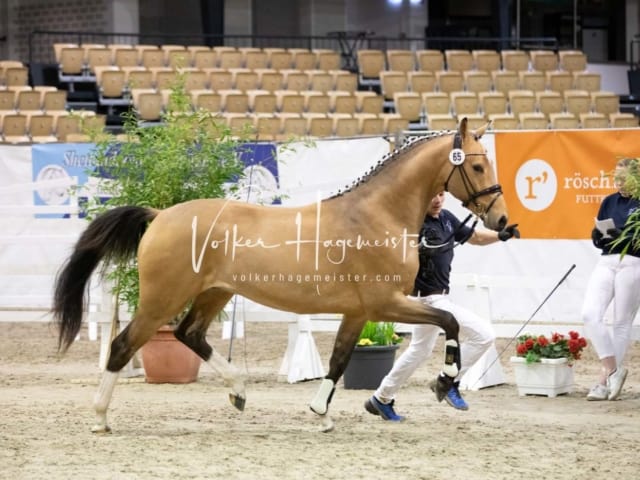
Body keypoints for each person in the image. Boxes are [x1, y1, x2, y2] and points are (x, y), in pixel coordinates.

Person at [365, 191, 520, 421]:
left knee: (419, 351)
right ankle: (447, 381)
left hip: (438, 299)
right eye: (431, 196)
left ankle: (381, 398)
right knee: (483, 334)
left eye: (440, 195)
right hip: (427, 300)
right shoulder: (411, 222)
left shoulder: (447, 218)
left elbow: (474, 237)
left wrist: (501, 235)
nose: (437, 200)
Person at [582, 157, 640, 401]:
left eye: (622, 176)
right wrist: (600, 234)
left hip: (633, 260)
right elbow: (597, 236)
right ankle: (614, 370)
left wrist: (622, 236)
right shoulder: (608, 201)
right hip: (607, 260)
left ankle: (603, 381)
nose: (617, 181)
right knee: (589, 314)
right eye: (615, 176)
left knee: (621, 322)